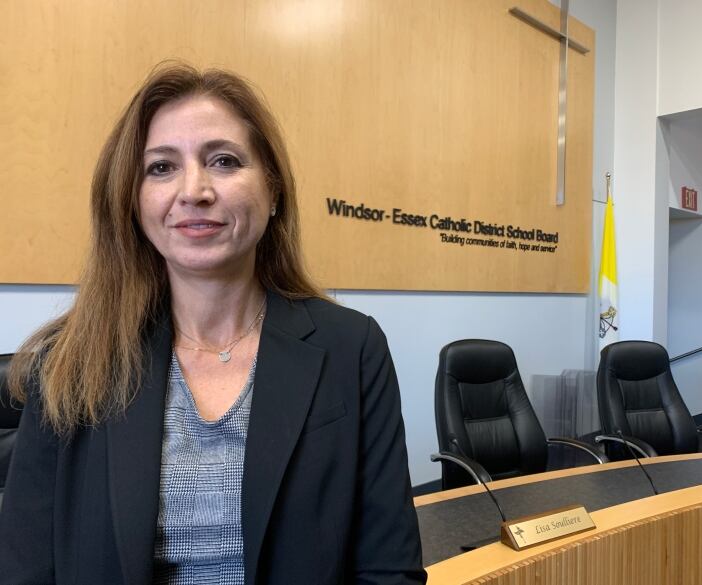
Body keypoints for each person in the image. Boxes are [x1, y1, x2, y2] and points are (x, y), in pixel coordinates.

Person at [0, 63, 426, 585]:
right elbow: (24, 571)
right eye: (161, 168)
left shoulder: (351, 347)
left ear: (273, 192)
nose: (194, 190)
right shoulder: (69, 362)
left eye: (223, 161)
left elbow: (388, 569)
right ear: (132, 201)